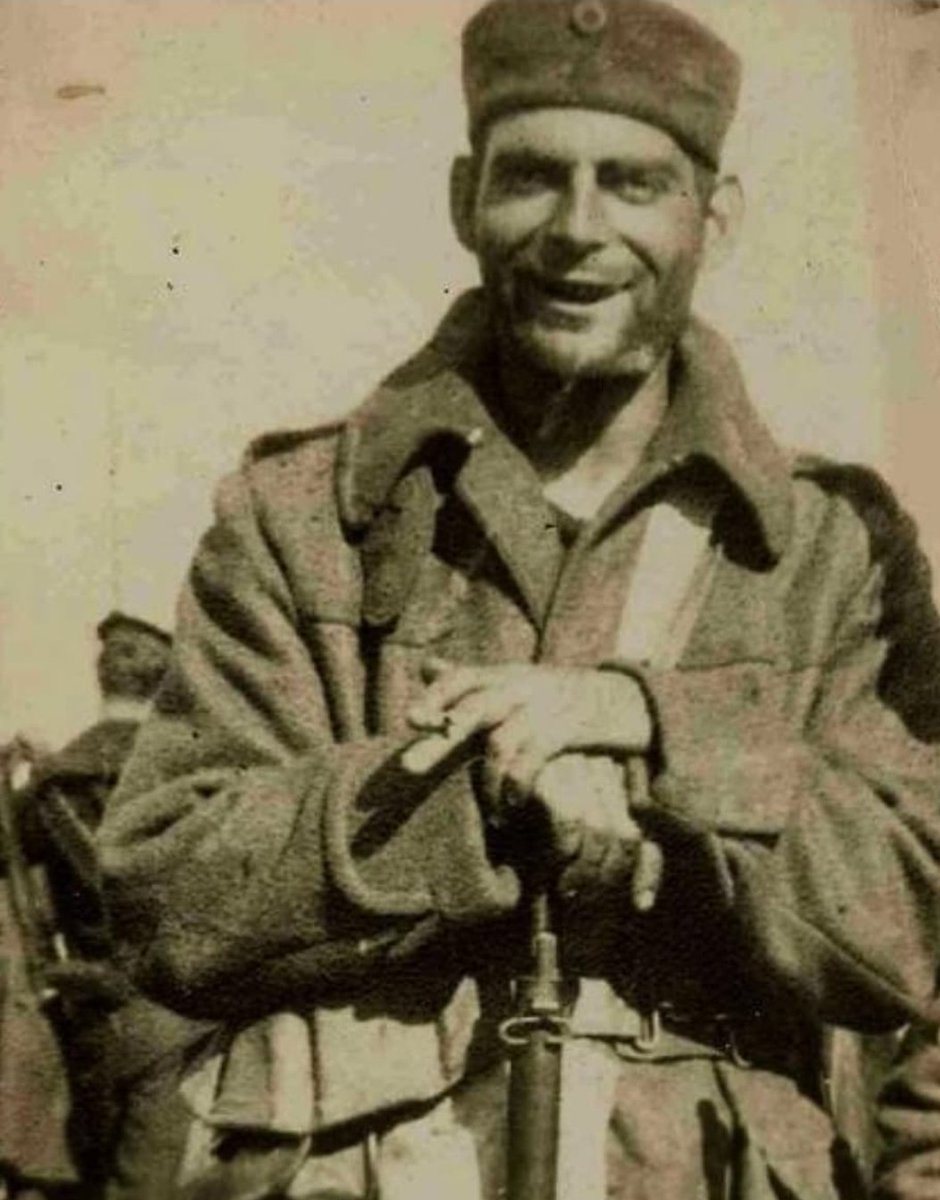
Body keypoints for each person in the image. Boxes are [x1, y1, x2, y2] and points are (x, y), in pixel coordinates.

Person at [97, 2, 940, 1198]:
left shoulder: (827, 550)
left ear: (716, 216)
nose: (576, 231)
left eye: (633, 184)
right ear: (463, 201)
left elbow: (909, 923)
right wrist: (481, 800)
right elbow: (166, 890)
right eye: (532, 179)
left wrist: (653, 734)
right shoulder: (302, 516)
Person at [1, 614, 212, 1200]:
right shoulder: (194, 769)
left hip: (89, 1016)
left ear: (103, 677)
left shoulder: (51, 781)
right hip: (185, 1014)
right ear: (168, 680)